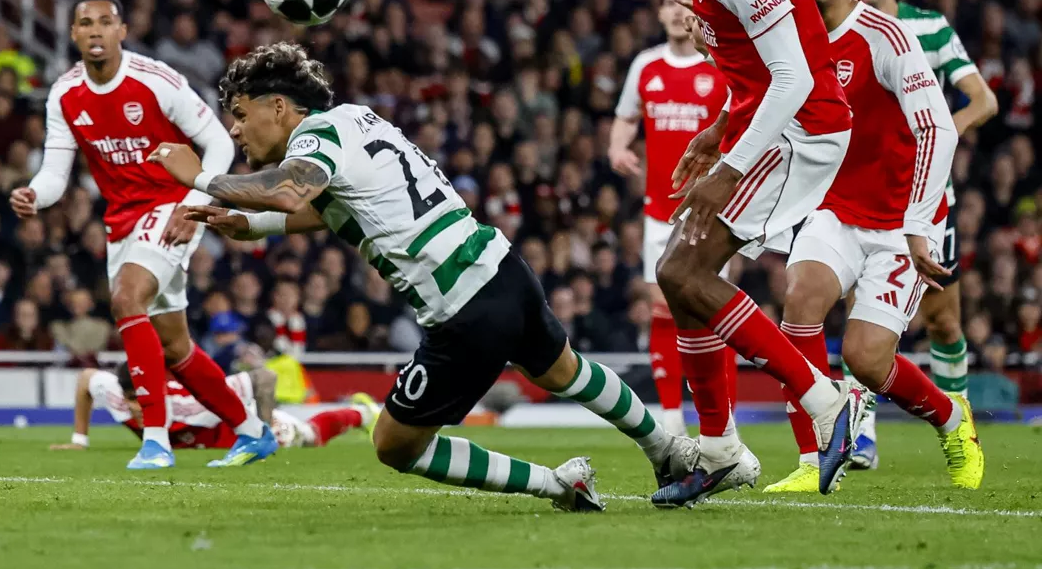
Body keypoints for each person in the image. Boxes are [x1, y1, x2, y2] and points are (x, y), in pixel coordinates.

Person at [150, 42, 700, 514]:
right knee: (564, 370)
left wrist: (202, 177)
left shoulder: (314, 136)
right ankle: (669, 450)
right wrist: (248, 224)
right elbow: (326, 208)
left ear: (278, 106)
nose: (235, 128)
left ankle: (557, 484)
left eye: (240, 114)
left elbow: (292, 191)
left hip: (462, 307)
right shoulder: (355, 120)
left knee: (393, 443)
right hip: (502, 270)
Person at [647, 0, 863, 507]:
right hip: (766, 121)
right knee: (679, 277)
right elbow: (758, 63)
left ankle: (828, 404)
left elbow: (793, 77)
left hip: (803, 128)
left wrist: (731, 166)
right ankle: (719, 451)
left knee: (683, 272)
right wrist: (720, 127)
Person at [9, 0, 276, 471]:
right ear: (73, 33)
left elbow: (219, 144)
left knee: (126, 298)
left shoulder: (156, 80)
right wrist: (34, 193)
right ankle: (253, 431)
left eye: (105, 21)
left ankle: (156, 441)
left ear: (122, 31)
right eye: (86, 22)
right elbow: (54, 173)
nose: (95, 30)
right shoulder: (65, 94)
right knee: (174, 346)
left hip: (172, 205)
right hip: (122, 221)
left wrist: (192, 206)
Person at [761, 0, 983, 494]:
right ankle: (812, 460)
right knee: (800, 301)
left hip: (901, 222)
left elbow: (938, 128)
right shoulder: (791, 37)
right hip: (836, 209)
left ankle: (952, 419)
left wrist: (918, 224)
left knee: (865, 359)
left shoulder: (887, 36)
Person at [848, 0, 999, 471]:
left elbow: (983, 99)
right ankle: (860, 436)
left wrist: (940, 131)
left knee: (942, 322)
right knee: (858, 317)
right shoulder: (841, 26)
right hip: (864, 193)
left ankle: (960, 427)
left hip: (927, 198)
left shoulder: (930, 28)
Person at [609, 0, 733, 437]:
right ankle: (671, 416)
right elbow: (625, 117)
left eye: (687, 2)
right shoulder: (645, 65)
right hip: (658, 208)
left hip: (709, 210)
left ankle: (723, 417)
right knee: (662, 306)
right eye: (670, 2)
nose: (679, 10)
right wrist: (617, 148)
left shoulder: (719, 65)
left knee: (712, 308)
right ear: (659, 13)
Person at [50, 365, 379, 453]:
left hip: (238, 428)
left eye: (144, 397)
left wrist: (262, 434)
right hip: (205, 443)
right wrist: (79, 441)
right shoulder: (115, 394)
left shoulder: (190, 403)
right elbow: (86, 378)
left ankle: (363, 413)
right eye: (131, 398)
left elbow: (265, 377)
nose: (137, 407)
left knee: (310, 436)